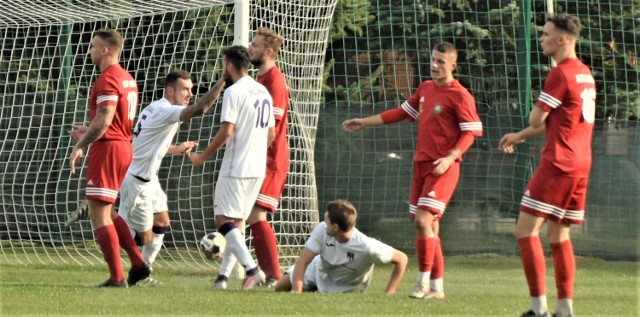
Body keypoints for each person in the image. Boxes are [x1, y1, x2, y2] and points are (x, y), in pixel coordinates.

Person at [342, 42, 483, 299]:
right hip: (421, 165)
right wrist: (364, 122)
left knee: (422, 221)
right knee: (430, 229)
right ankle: (437, 289)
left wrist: (450, 158)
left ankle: (421, 282)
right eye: (433, 59)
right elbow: (401, 112)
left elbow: (471, 133)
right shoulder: (426, 88)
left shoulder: (460, 95)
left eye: (441, 61)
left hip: (444, 167)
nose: (435, 65)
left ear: (453, 65)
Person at [499, 14, 595, 317]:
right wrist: (520, 136)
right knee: (558, 236)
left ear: (561, 39)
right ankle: (565, 309)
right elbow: (558, 121)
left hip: (558, 163)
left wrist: (529, 121)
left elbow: (537, 119)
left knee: (525, 231)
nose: (541, 38)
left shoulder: (560, 73)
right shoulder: (584, 73)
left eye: (545, 34)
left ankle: (537, 308)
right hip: (580, 164)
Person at [117, 70, 226, 283]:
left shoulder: (156, 107)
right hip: (137, 181)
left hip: (149, 178)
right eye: (185, 89)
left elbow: (149, 143)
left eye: (192, 89)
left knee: (162, 220)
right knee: (139, 236)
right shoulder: (166, 110)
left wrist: (177, 149)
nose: (190, 94)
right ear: (170, 90)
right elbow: (200, 108)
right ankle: (103, 219)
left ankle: (143, 272)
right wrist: (223, 80)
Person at [188, 45, 275, 291]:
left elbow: (227, 131)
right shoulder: (263, 91)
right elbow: (272, 133)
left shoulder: (233, 92)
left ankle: (252, 270)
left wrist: (203, 156)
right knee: (236, 223)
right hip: (257, 168)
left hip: (236, 166)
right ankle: (222, 278)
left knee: (222, 220)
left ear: (228, 66)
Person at [68, 28, 150, 287]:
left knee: (98, 214)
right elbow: (110, 119)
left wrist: (80, 144)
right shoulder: (126, 77)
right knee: (108, 211)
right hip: (122, 145)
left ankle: (117, 278)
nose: (89, 51)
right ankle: (138, 263)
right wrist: (88, 129)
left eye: (93, 46)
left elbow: (104, 119)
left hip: (109, 149)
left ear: (105, 50)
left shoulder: (107, 78)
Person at [213, 27, 290, 289]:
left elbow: (273, 131)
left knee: (254, 216)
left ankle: (271, 275)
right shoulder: (258, 82)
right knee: (240, 218)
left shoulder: (274, 81)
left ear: (268, 51)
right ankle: (230, 276)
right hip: (258, 160)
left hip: (269, 161)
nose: (251, 49)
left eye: (255, 45)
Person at [274, 199, 408, 294]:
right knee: (280, 286)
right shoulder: (322, 229)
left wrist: (390, 292)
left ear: (335, 227)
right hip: (318, 269)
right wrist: (296, 291)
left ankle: (314, 290)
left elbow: (402, 259)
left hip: (345, 288)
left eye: (327, 220)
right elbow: (302, 261)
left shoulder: (367, 246)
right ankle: (310, 287)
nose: (324, 222)